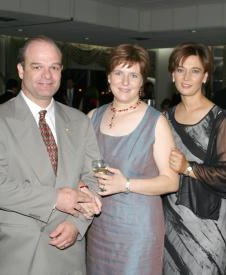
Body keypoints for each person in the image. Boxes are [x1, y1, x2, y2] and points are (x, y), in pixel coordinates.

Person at [0, 36, 102, 275]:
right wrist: (55, 198)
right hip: (20, 256)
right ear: (21, 70)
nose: (47, 75)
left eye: (54, 67)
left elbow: (95, 175)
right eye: (37, 66)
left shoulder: (79, 120)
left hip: (69, 252)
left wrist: (77, 224)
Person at [86, 44, 179, 274]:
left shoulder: (156, 122)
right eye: (119, 73)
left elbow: (171, 181)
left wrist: (125, 184)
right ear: (109, 78)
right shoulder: (92, 118)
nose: (125, 82)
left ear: (142, 82)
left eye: (133, 75)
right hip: (99, 226)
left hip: (138, 229)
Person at [162, 42, 226, 275]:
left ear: (204, 77)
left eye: (195, 71)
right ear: (172, 75)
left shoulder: (219, 119)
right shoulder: (164, 118)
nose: (186, 77)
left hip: (209, 228)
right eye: (180, 69)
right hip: (171, 223)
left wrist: (188, 168)